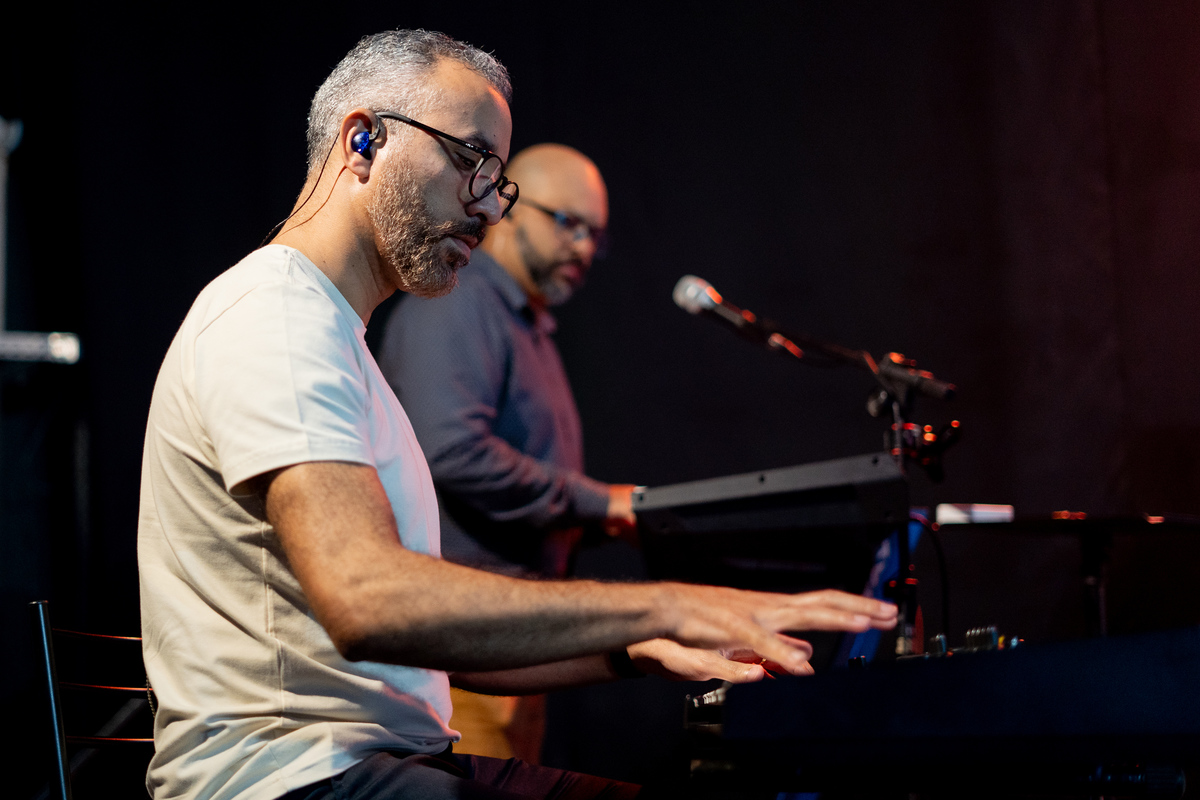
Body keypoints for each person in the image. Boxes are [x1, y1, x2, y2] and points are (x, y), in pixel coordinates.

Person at [137, 29, 898, 800]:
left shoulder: (336, 338)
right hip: (293, 784)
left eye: (497, 182)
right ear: (362, 140)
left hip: (373, 767)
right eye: (470, 162)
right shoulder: (277, 315)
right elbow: (369, 601)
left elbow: (424, 646)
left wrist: (642, 643)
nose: (487, 212)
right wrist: (671, 601)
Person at [376, 143, 627, 760]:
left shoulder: (518, 317)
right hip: (464, 658)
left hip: (507, 649)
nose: (585, 248)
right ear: (507, 209)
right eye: (568, 223)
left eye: (596, 234)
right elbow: (452, 449)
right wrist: (597, 503)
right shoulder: (460, 304)